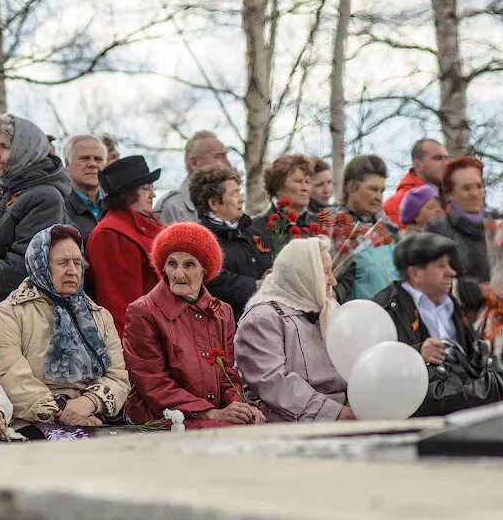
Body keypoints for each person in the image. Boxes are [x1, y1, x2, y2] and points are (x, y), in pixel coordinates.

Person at [123, 222, 266, 429]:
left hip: (211, 413)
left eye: (189, 265)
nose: (179, 274)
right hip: (163, 416)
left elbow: (228, 375)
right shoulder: (143, 312)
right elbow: (154, 384)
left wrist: (239, 406)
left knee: (255, 424)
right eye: (172, 264)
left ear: (205, 270)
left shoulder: (221, 312)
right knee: (231, 434)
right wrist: (211, 413)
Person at [0, 225, 129, 439]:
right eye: (62, 263)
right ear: (40, 266)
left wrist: (89, 402)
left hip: (92, 413)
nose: (72, 271)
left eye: (77, 263)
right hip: (33, 419)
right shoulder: (8, 314)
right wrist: (61, 412)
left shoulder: (99, 315)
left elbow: (118, 376)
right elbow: (11, 377)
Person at [373, 233, 503, 416]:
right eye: (440, 266)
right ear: (416, 273)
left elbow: (469, 358)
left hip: (459, 412)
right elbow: (377, 369)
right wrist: (416, 353)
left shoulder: (450, 302)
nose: (451, 272)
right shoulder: (385, 309)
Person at [426, 156, 503, 392]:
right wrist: (478, 290)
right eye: (466, 187)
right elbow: (431, 283)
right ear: (449, 193)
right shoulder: (438, 229)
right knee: (474, 397)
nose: (475, 193)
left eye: (479, 186)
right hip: (460, 333)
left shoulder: (501, 225)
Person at [235, 238, 353, 422]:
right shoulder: (262, 319)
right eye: (325, 272)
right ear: (303, 274)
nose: (334, 280)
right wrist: (334, 413)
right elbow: (273, 383)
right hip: (291, 428)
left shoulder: (328, 310)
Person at [0, 114, 72, 304]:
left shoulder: (45, 197)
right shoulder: (6, 188)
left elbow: (24, 267)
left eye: (4, 147)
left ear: (25, 150)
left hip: (21, 313)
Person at [86, 156, 164, 337]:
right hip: (144, 343)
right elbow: (122, 310)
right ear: (128, 194)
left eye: (152, 187)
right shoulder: (112, 235)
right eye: (146, 188)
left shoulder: (146, 222)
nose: (153, 194)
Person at [192, 166, 272, 320]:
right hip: (225, 327)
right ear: (214, 203)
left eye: (239, 192)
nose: (241, 198)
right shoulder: (200, 239)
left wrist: (269, 273)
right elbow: (211, 278)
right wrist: (254, 286)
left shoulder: (254, 233)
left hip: (263, 320)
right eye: (234, 193)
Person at [331, 154, 398, 300]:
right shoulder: (332, 228)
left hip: (394, 318)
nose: (379, 197)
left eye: (382, 191)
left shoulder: (388, 230)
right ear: (351, 187)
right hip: (355, 318)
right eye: (373, 189)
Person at [155, 130, 231, 224]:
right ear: (194, 163)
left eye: (226, 156)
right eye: (219, 156)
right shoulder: (171, 207)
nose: (228, 163)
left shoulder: (231, 203)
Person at [253, 154, 319, 245]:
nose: (305, 188)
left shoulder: (320, 224)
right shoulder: (255, 228)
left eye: (307, 182)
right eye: (299, 182)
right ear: (278, 187)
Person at [383, 139, 449, 227]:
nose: (446, 163)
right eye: (437, 158)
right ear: (417, 165)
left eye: (446, 158)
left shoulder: (457, 198)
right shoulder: (395, 204)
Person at [63, 135, 107, 246]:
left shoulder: (118, 206)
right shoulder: (57, 206)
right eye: (84, 158)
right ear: (67, 163)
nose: (92, 164)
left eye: (98, 159)